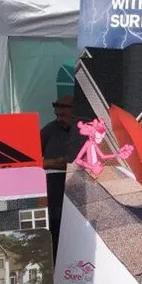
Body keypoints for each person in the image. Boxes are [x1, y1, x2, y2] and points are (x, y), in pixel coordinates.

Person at [39, 94, 86, 256]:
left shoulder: (85, 131)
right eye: (57, 115)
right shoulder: (50, 129)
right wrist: (55, 162)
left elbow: (82, 163)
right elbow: (31, 159)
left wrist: (58, 162)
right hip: (52, 195)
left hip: (77, 194)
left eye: (63, 115)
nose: (59, 119)